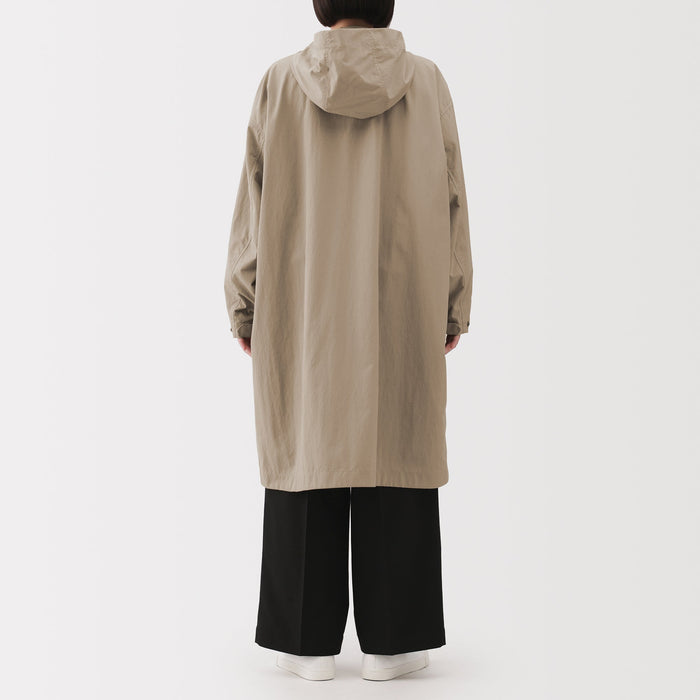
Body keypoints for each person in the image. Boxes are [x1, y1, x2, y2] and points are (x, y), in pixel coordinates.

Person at [223, 0, 473, 682]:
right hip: (403, 301)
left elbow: (252, 202)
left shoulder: (280, 82)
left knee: (309, 446)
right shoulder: (426, 82)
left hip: (304, 308)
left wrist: (246, 304)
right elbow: (453, 199)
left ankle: (306, 645)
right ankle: (395, 644)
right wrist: (453, 303)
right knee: (396, 445)